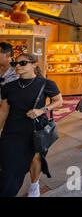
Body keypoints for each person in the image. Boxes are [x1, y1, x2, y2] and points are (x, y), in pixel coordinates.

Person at [0, 53, 63, 197]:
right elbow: (4, 110)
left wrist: (41, 110)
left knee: (35, 158)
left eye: (23, 63)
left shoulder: (46, 84)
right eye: (15, 63)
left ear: (34, 65)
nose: (17, 66)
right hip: (12, 130)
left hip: (35, 130)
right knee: (9, 162)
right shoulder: (8, 87)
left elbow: (59, 101)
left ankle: (34, 186)